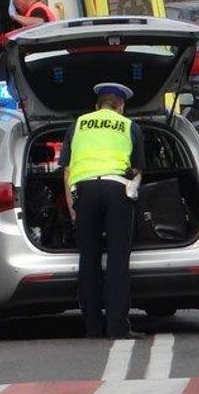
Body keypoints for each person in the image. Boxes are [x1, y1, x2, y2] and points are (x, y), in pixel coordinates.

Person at [60, 82, 146, 340]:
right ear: (121, 106)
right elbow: (138, 169)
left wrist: (72, 206)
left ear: (96, 106)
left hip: (85, 192)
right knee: (118, 260)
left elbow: (66, 170)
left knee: (88, 259)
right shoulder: (130, 126)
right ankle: (118, 327)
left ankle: (93, 327)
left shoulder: (78, 125)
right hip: (117, 190)